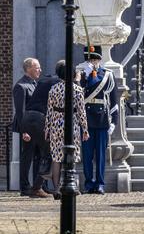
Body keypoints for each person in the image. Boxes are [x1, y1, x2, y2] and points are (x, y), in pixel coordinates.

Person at [78, 46, 119, 194]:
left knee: (101, 155)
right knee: (87, 155)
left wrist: (114, 122)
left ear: (100, 60)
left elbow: (114, 100)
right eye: (90, 59)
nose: (93, 62)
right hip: (86, 120)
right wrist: (85, 77)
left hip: (102, 119)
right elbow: (77, 95)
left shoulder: (107, 75)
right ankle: (89, 183)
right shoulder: (82, 76)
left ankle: (100, 183)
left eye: (95, 59)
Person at [46, 60, 89, 199]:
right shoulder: (77, 89)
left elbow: (49, 111)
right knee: (72, 155)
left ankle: (57, 188)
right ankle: (73, 186)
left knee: (56, 157)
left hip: (56, 124)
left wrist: (47, 128)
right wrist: (85, 129)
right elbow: (82, 111)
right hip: (72, 123)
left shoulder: (53, 89)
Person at [25, 64, 62, 198]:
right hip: (40, 117)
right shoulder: (60, 84)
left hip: (28, 117)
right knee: (51, 152)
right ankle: (38, 187)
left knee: (42, 153)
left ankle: (40, 186)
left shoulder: (45, 80)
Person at [12, 57, 43, 197]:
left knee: (39, 156)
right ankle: (25, 187)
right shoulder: (21, 86)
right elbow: (20, 111)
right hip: (28, 129)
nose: (40, 70)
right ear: (29, 68)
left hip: (38, 128)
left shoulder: (35, 84)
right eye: (37, 67)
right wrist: (24, 130)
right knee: (27, 158)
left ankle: (38, 187)